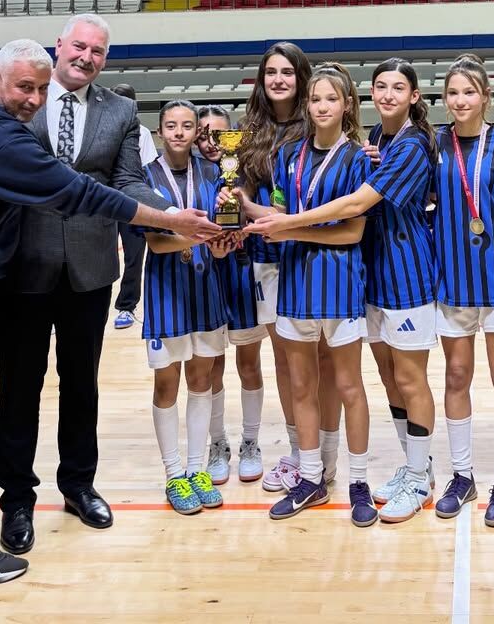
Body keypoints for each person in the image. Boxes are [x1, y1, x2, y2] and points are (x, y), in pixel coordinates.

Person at [0, 39, 220, 587]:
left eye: (40, 89)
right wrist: (172, 222)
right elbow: (76, 190)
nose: (35, 98)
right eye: (25, 86)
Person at [246, 58, 439, 524]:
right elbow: (276, 206)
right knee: (383, 379)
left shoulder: (398, 148)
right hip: (361, 280)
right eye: (382, 86)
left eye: (398, 87)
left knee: (403, 380)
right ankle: (387, 471)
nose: (388, 94)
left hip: (400, 276)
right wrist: (239, 206)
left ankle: (414, 474)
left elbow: (354, 214)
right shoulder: (373, 144)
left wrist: (287, 227)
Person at [239, 64, 376, 526]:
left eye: (330, 99)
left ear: (347, 105)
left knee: (348, 386)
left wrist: (292, 228)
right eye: (315, 99)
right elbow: (277, 219)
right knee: (300, 385)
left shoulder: (360, 158)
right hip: (294, 285)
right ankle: (312, 476)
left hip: (340, 286)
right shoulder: (287, 157)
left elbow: (353, 232)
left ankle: (358, 481)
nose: (321, 107)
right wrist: (241, 215)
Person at [233, 43, 343, 491]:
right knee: (286, 358)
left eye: (287, 72)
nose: (278, 79)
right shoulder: (247, 129)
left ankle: (327, 452)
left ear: (302, 77)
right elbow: (234, 180)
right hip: (266, 256)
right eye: (270, 72)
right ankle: (301, 452)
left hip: (310, 251)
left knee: (323, 357)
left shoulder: (316, 122)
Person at [430, 54, 494, 528]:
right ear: (444, 100)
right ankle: (462, 475)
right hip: (453, 283)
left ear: (485, 96)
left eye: (469, 92)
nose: (461, 100)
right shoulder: (433, 147)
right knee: (456, 377)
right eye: (453, 93)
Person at [141, 100, 231, 515]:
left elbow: (224, 231)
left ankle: (197, 468)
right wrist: (201, 238)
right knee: (167, 384)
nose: (179, 132)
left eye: (187, 125)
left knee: (202, 379)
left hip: (205, 284)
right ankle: (173, 472)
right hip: (165, 290)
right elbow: (157, 242)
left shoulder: (215, 173)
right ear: (160, 131)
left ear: (198, 132)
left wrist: (227, 242)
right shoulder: (145, 179)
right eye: (171, 125)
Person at [197, 104, 267, 486]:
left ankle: (251, 443)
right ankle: (218, 443)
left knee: (249, 363)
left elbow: (264, 214)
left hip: (241, 270)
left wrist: (242, 230)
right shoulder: (188, 173)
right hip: (202, 273)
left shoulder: (246, 173)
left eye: (220, 135)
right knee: (211, 367)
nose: (211, 142)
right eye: (203, 134)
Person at [110, 82, 158, 329]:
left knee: (133, 257)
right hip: (104, 204)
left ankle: (126, 306)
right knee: (96, 257)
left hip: (131, 204)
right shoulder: (102, 129)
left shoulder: (142, 132)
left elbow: (147, 169)